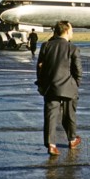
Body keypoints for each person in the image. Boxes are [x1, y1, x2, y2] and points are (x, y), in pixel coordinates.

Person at [36, 21, 83, 156]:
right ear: (67, 31)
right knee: (69, 116)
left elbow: (40, 68)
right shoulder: (72, 48)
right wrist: (75, 84)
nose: (73, 32)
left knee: (51, 116)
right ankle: (72, 139)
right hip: (69, 87)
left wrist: (41, 85)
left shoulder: (45, 46)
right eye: (72, 30)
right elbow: (78, 71)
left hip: (51, 87)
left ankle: (51, 145)